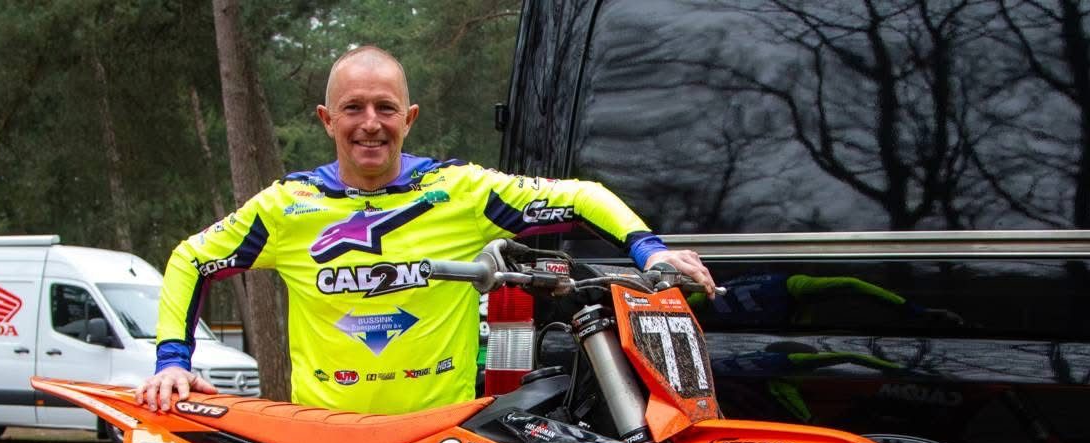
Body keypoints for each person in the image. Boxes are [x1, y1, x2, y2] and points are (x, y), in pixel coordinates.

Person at [136, 45, 715, 414]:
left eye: (385, 108)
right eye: (353, 108)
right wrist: (172, 362)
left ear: (408, 118)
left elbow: (580, 196)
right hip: (327, 437)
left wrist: (651, 251)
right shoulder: (287, 206)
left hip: (439, 437)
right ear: (327, 120)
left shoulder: (458, 191)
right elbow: (191, 258)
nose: (370, 124)